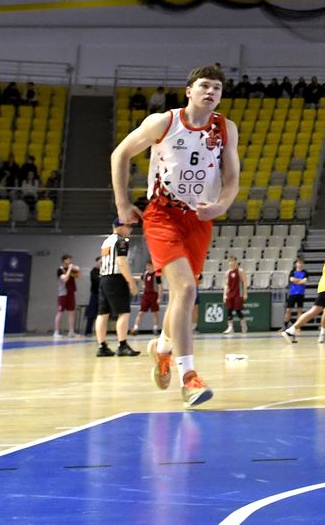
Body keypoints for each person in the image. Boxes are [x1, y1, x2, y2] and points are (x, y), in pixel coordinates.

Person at [111, 62, 241, 408]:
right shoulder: (163, 122)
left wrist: (220, 205)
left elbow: (232, 180)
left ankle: (163, 348)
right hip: (162, 215)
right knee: (185, 289)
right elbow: (120, 153)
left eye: (216, 87)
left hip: (198, 219)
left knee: (182, 297)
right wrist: (123, 204)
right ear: (189, 91)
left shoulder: (225, 128)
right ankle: (189, 378)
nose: (210, 92)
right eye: (204, 86)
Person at [95, 220, 140, 357]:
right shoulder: (121, 241)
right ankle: (122, 345)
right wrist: (131, 282)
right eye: (128, 226)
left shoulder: (106, 241)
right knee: (123, 312)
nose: (130, 230)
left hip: (104, 278)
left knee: (103, 313)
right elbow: (122, 262)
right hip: (116, 279)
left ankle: (102, 346)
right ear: (120, 227)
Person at [54, 255, 80, 338]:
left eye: (71, 260)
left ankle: (71, 331)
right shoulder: (60, 270)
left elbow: (77, 275)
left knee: (72, 312)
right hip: (63, 293)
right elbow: (65, 279)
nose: (70, 261)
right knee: (60, 312)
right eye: (68, 260)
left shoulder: (71, 269)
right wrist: (69, 269)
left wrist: (76, 269)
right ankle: (56, 332)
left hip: (71, 293)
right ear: (64, 260)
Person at [222, 257, 247, 335]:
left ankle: (243, 325)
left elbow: (244, 282)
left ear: (236, 262)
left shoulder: (240, 271)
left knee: (238, 310)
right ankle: (230, 328)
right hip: (230, 293)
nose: (231, 263)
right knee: (229, 310)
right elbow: (226, 285)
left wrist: (245, 293)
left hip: (238, 293)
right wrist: (224, 295)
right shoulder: (227, 272)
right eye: (230, 261)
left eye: (233, 261)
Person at [136, 261, 160, 335]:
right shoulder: (145, 274)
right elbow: (140, 278)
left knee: (155, 313)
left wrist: (159, 297)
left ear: (153, 266)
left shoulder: (157, 275)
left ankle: (155, 328)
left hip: (154, 295)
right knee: (141, 312)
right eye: (147, 266)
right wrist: (131, 278)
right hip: (146, 295)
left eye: (149, 266)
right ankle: (135, 328)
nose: (148, 267)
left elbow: (160, 287)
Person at [284, 258, 309, 328]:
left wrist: (296, 281)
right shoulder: (292, 272)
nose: (300, 264)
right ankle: (285, 326)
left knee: (299, 310)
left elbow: (304, 281)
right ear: (296, 264)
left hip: (301, 293)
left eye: (301, 263)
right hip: (293, 293)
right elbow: (292, 279)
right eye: (299, 263)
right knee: (288, 310)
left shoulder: (305, 272)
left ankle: (297, 326)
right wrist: (300, 281)